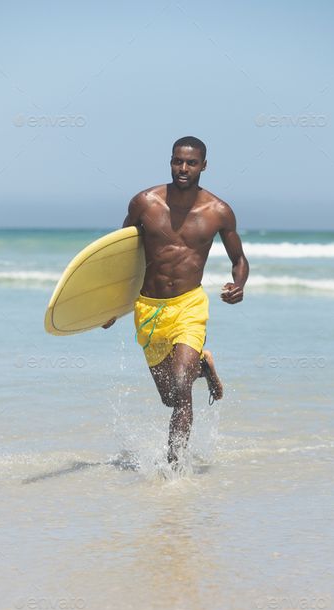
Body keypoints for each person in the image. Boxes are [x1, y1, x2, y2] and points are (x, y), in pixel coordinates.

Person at [103, 136, 249, 464]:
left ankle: (174, 469)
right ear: (170, 161)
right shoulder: (144, 203)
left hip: (189, 306)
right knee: (170, 398)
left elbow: (239, 260)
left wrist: (239, 285)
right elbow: (119, 255)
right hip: (149, 308)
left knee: (182, 388)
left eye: (191, 163)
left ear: (204, 166)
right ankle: (203, 366)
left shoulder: (219, 212)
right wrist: (110, 303)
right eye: (177, 161)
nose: (183, 169)